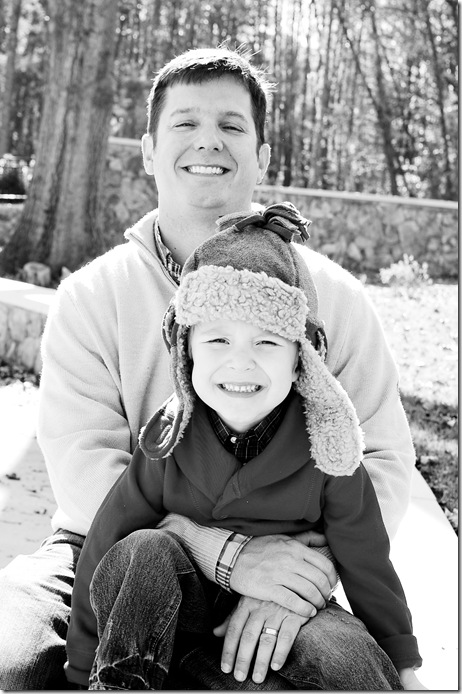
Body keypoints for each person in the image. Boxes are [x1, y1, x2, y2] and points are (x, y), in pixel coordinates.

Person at [0, 47, 416, 690]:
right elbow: (86, 470)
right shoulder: (92, 295)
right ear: (147, 151)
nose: (208, 142)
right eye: (185, 123)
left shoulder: (333, 298)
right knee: (8, 659)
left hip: (290, 555)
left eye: (231, 125)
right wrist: (223, 556)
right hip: (103, 550)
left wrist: (303, 573)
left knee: (347, 674)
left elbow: (382, 460)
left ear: (264, 155)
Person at [65, 203, 425, 690]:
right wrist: (81, 662)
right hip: (171, 608)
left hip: (278, 613)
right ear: (186, 350)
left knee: (344, 658)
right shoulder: (168, 438)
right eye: (217, 341)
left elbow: (367, 559)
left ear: (303, 358)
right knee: (142, 551)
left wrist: (404, 663)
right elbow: (107, 540)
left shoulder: (328, 449)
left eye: (267, 343)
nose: (240, 363)